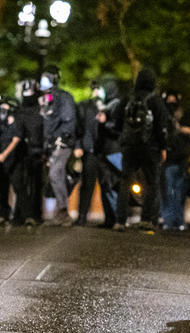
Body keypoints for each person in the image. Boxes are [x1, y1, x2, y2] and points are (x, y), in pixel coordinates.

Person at [114, 67, 169, 231]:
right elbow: (161, 126)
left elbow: (116, 121)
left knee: (125, 181)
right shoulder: (155, 100)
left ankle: (120, 220)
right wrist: (163, 147)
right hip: (150, 147)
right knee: (152, 183)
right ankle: (146, 218)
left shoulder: (127, 99)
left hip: (129, 146)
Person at [76, 78, 122, 227]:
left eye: (99, 88)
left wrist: (106, 121)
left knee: (107, 185)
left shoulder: (112, 106)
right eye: (94, 89)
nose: (96, 91)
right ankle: (82, 216)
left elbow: (116, 128)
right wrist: (79, 146)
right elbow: (79, 128)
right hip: (90, 151)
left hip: (105, 152)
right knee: (87, 184)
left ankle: (111, 218)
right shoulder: (86, 106)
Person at [38, 65, 77, 226]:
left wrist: (59, 137)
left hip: (62, 142)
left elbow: (67, 119)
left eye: (46, 77)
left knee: (55, 174)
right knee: (56, 176)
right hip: (52, 144)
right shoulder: (47, 98)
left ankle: (62, 212)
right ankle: (61, 213)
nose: (43, 80)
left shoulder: (63, 97)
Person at [161, 90, 190, 231]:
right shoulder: (164, 118)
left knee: (180, 193)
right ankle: (167, 220)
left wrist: (183, 130)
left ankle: (179, 221)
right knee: (168, 192)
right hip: (169, 161)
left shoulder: (184, 118)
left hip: (182, 161)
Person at [16, 79, 45, 225]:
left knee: (34, 184)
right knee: (25, 183)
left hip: (35, 151)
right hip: (25, 151)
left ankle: (32, 214)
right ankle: (24, 213)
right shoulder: (25, 110)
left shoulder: (38, 110)